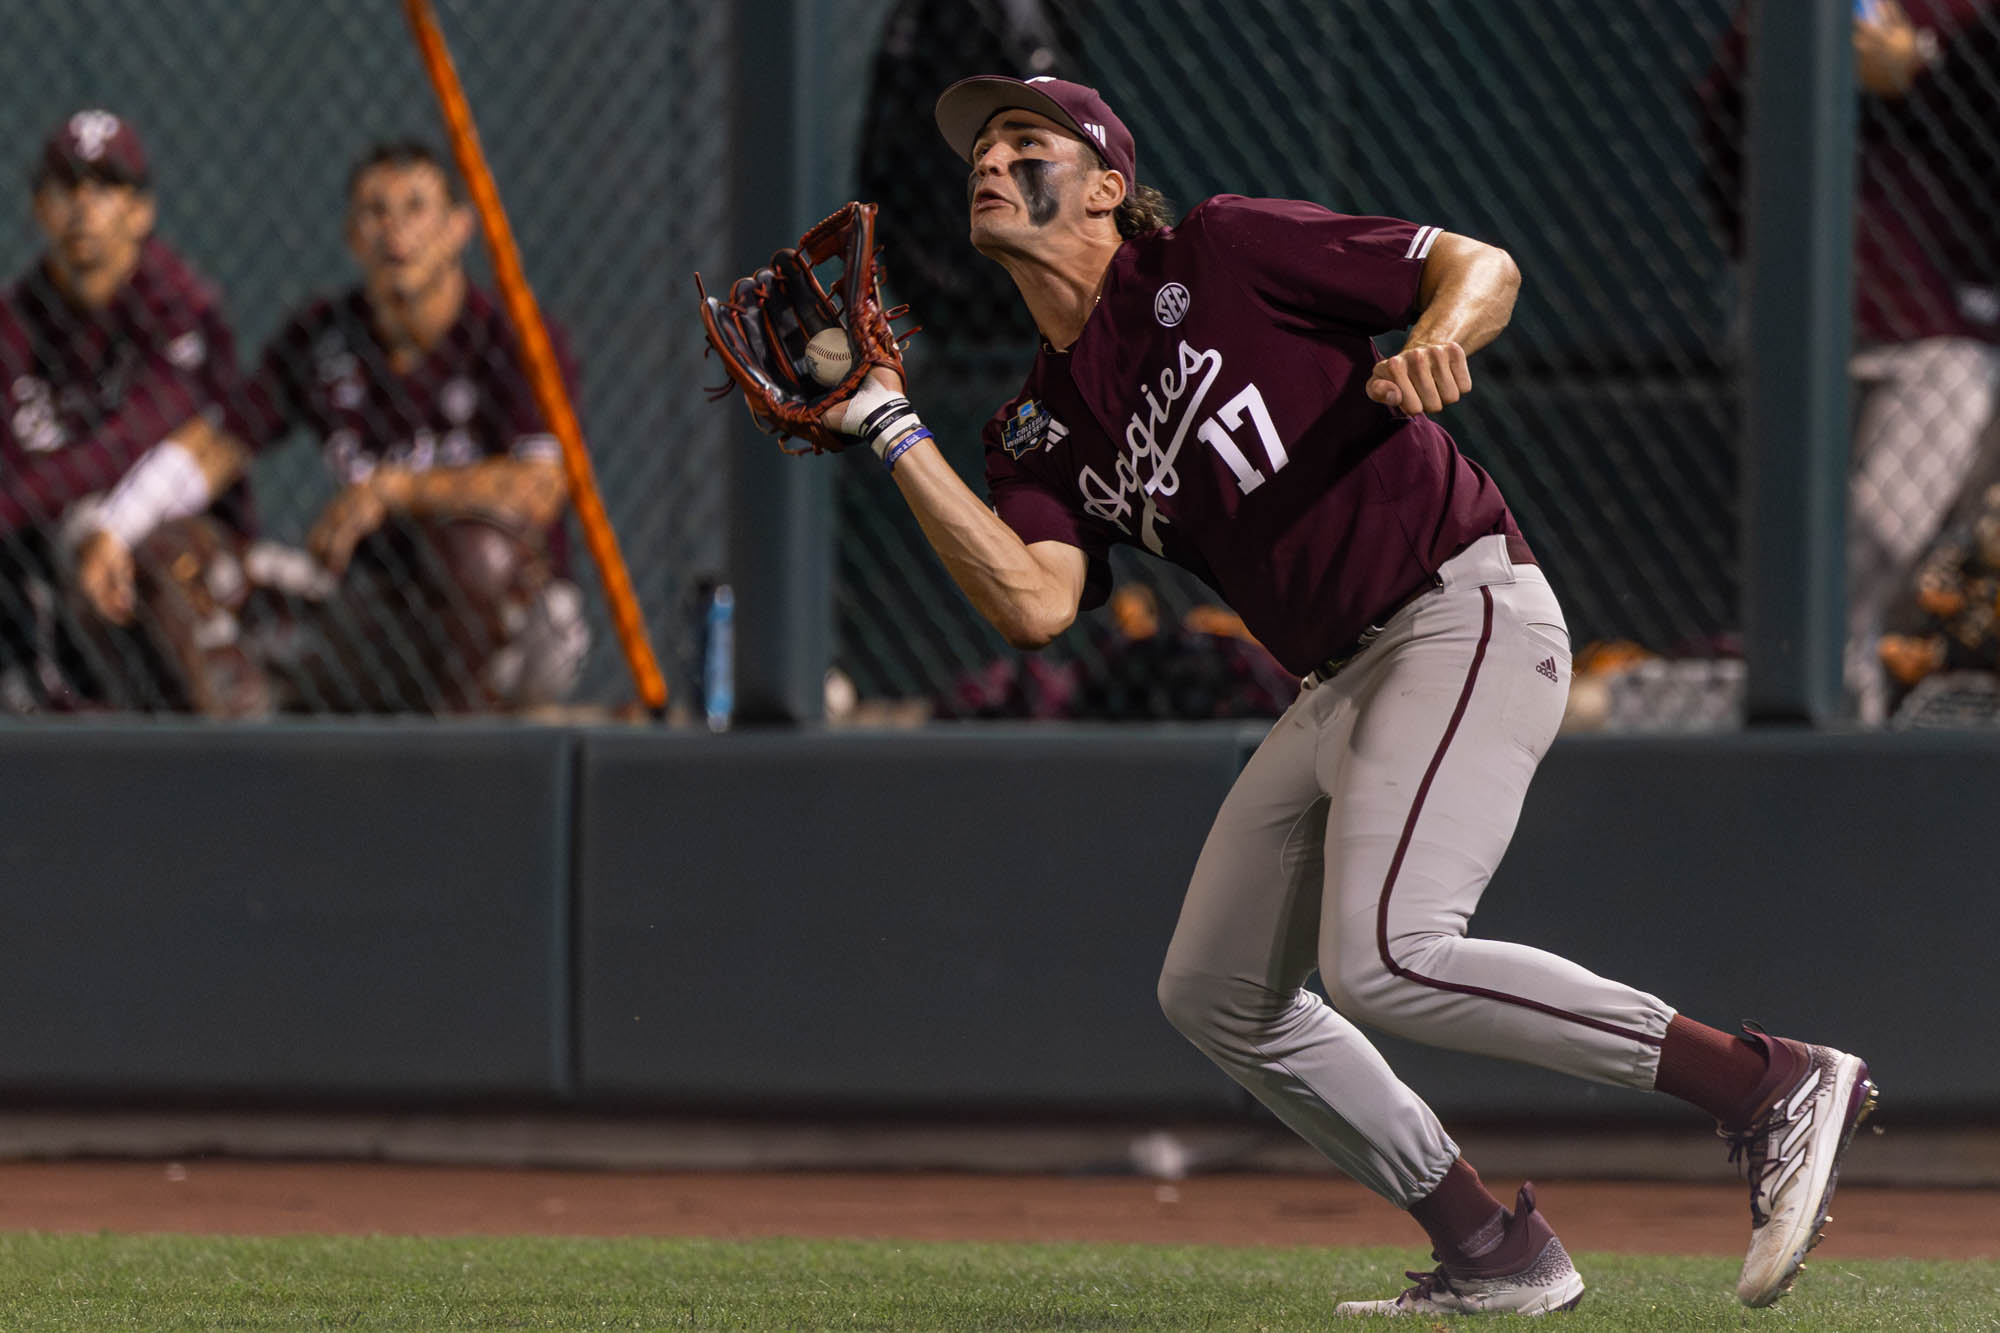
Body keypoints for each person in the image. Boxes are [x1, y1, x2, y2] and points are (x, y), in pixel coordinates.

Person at [813, 75, 1876, 1315]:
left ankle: (1763, 1082)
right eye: (980, 150)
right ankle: (1491, 1248)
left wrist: (1440, 335)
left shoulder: (1215, 251)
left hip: (1458, 608)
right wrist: (891, 427)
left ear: (1106, 185)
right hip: (1340, 682)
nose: (989, 162)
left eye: (1023, 141)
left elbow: (1475, 265)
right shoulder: (1036, 427)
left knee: (1387, 959)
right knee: (1213, 991)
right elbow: (1034, 602)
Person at [180, 139, 587, 713]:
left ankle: (466, 745)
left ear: (458, 229)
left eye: (417, 208)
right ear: (352, 236)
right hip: (379, 609)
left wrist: (396, 490)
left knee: (476, 552)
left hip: (521, 619)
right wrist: (123, 517)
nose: (396, 231)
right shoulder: (322, 336)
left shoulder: (515, 337)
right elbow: (220, 444)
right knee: (209, 577)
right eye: (376, 212)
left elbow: (538, 489)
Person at [1698, 1, 2000, 723]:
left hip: (1949, 324)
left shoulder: (1965, 25)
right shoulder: (1781, 23)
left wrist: (1926, 61)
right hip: (1820, 309)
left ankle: (1854, 702)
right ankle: (1829, 715)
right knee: (1842, 547)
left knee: (1892, 535)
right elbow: (1725, 126)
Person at [0, 109, 267, 717]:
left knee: (136, 549)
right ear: (41, 209)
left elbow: (129, 443)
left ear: (141, 213)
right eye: (67, 187)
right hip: (51, 536)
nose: (84, 208)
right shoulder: (16, 319)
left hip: (185, 543)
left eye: (106, 188)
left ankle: (213, 756)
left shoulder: (179, 305)